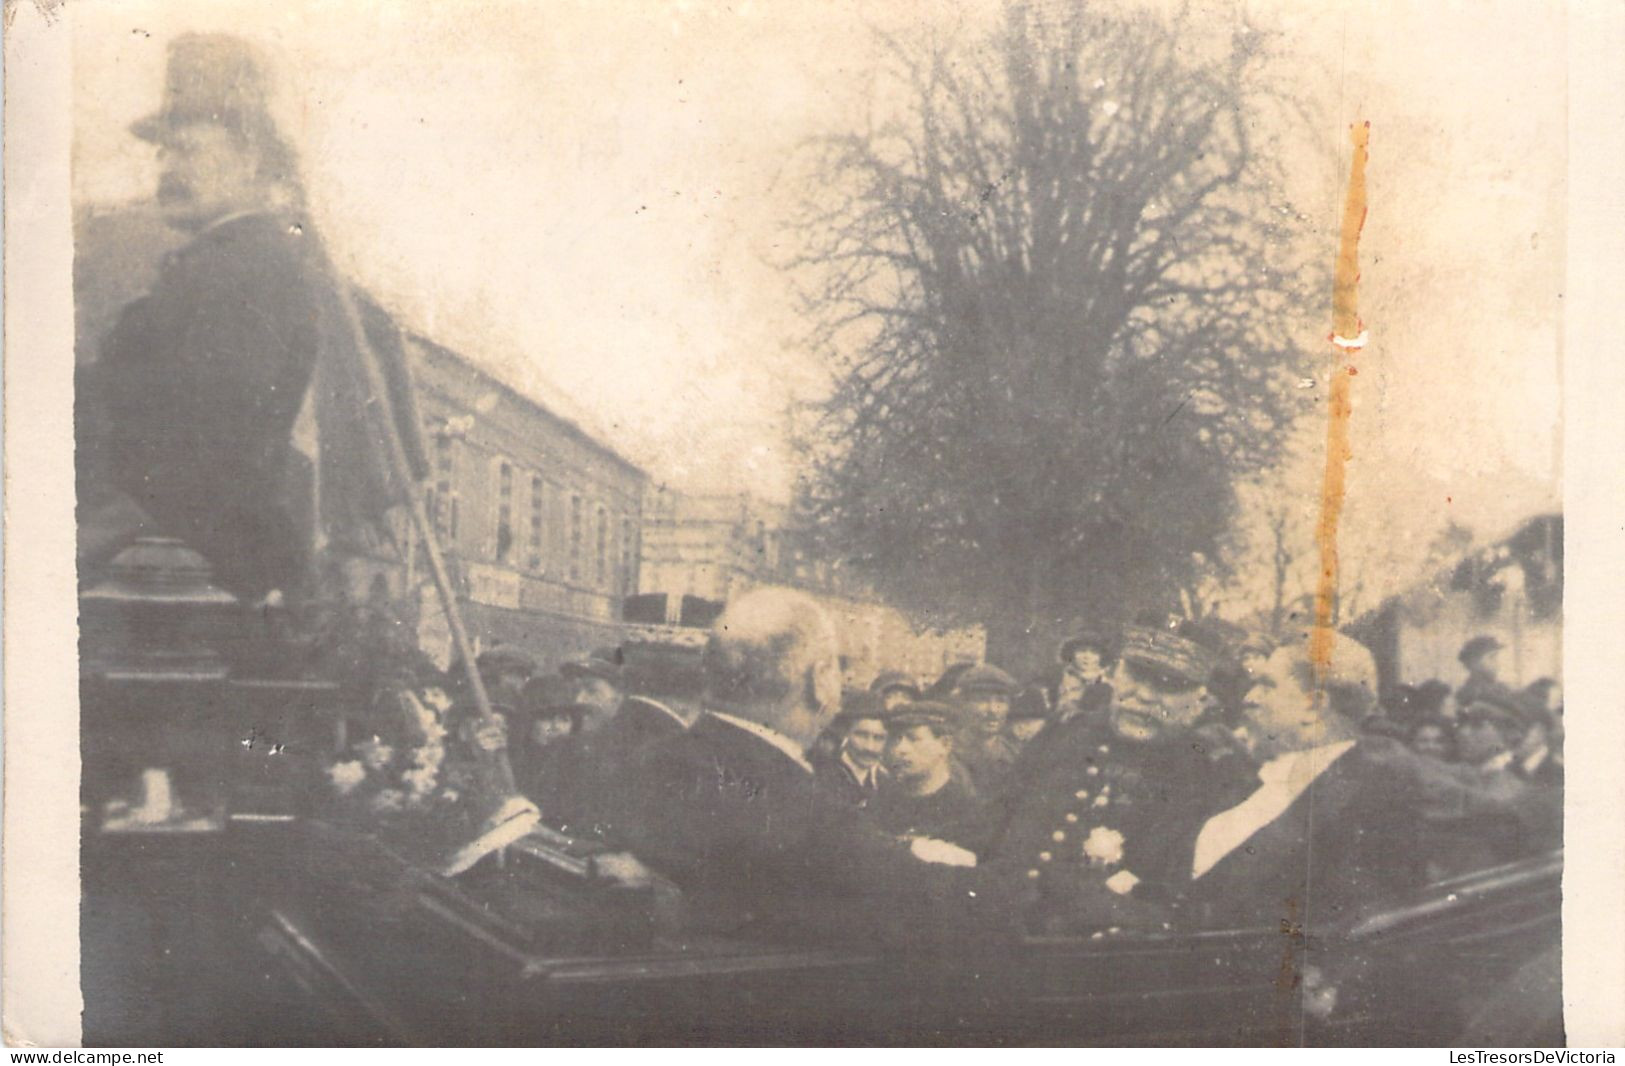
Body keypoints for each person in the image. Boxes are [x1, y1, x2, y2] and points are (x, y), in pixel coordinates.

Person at [82, 34, 424, 602]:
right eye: (162, 152)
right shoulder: (213, 264)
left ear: (247, 158)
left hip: (191, 569)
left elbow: (207, 441)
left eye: (187, 150)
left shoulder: (246, 271)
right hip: (187, 557)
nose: (167, 167)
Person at [607, 587, 1010, 945]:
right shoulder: (802, 810)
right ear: (820, 680)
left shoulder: (655, 762)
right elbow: (943, 903)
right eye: (837, 665)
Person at [1189, 633, 1540, 931]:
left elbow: (1508, 820)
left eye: (1266, 686)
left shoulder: (1375, 773)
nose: (1249, 697)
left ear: (1313, 705)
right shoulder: (1272, 773)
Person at [989, 626, 1255, 935]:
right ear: (1116, 672)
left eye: (1167, 686)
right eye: (1135, 676)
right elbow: (995, 819)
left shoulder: (1211, 770)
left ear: (1200, 698)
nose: (1143, 695)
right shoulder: (1068, 731)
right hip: (1006, 925)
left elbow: (1190, 899)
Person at [869, 700, 989, 853]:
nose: (900, 749)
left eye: (913, 739)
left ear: (945, 745)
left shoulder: (968, 811)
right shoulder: (881, 803)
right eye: (896, 738)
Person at [951, 663, 1023, 792]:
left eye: (1001, 701)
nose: (993, 710)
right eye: (982, 700)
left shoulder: (1016, 754)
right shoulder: (948, 752)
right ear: (963, 704)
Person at [809, 692, 888, 807]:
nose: (870, 747)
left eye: (879, 738)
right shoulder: (823, 777)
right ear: (845, 733)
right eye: (861, 735)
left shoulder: (886, 784)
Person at [1055, 630, 1115, 726]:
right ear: (1072, 653)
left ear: (1101, 657)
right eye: (1082, 651)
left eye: (1094, 652)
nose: (1087, 656)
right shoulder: (1058, 678)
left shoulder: (1105, 686)